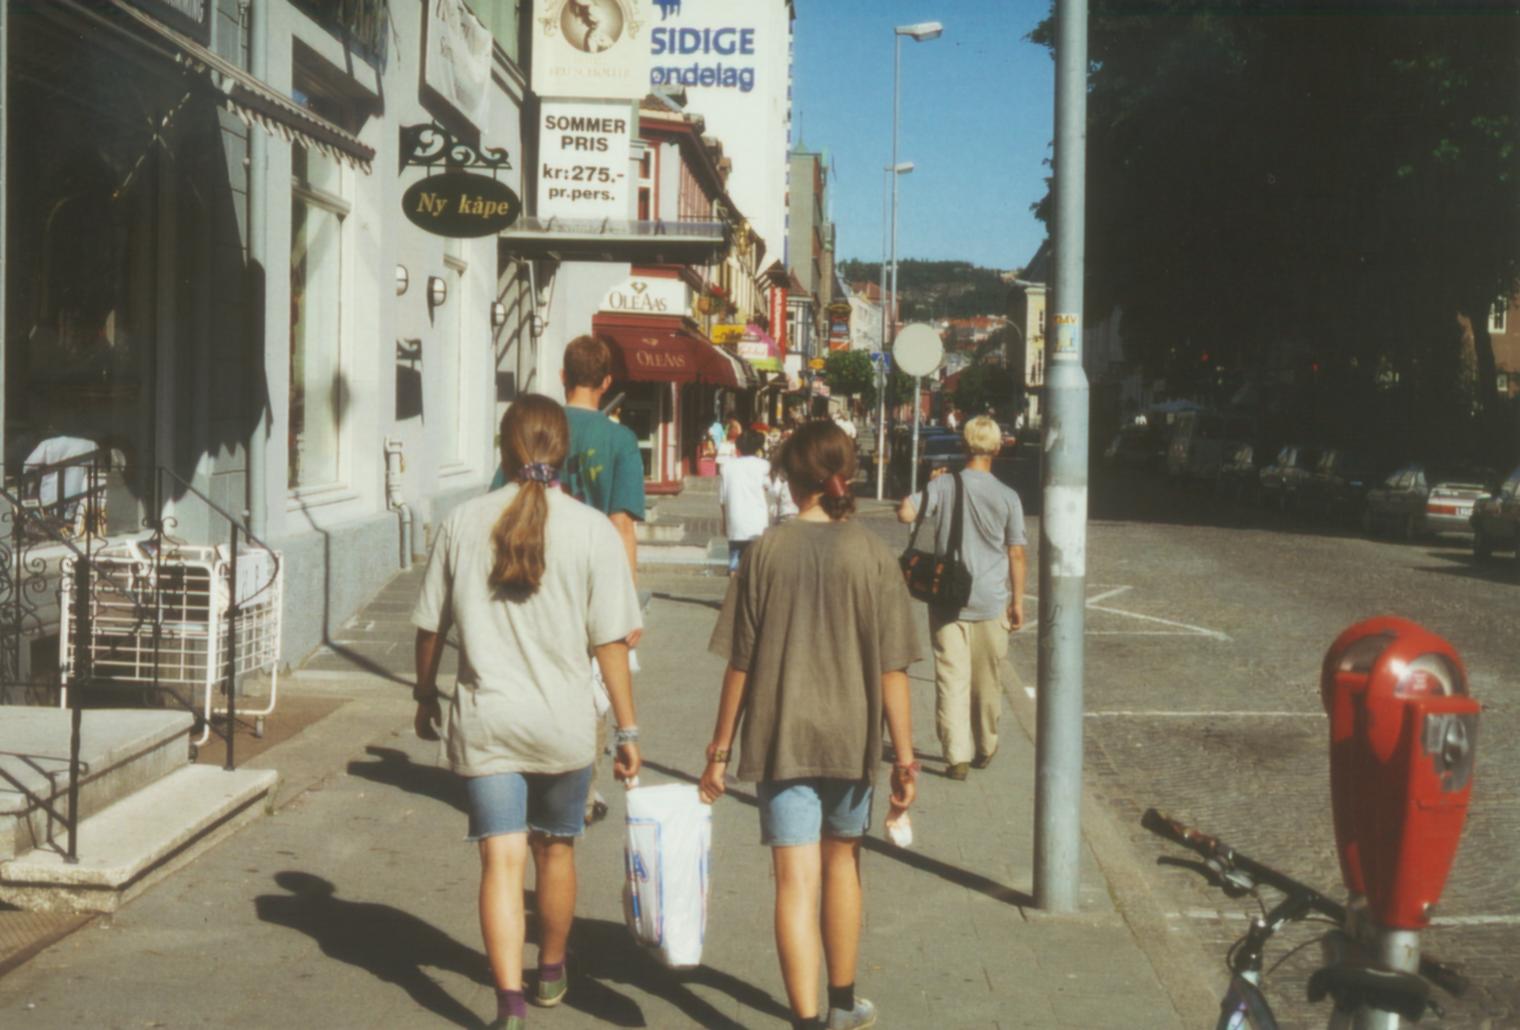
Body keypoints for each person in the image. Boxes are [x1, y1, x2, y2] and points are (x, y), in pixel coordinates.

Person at [413, 396, 643, 1030]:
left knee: (501, 859)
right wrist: (627, 730)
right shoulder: (592, 530)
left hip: (488, 720)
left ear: (503, 450)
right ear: (562, 451)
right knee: (557, 853)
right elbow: (611, 646)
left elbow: (430, 627)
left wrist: (424, 692)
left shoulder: (462, 522)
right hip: (564, 726)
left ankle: (508, 1000)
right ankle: (550, 972)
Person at [700, 421, 920, 1030]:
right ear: (845, 474)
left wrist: (719, 750)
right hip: (851, 742)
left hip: (781, 738)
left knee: (794, 882)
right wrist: (905, 759)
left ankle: (805, 1020)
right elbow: (893, 670)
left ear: (790, 479)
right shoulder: (874, 554)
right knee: (843, 865)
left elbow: (740, 662)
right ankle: (844, 1004)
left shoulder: (766, 551)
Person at [489, 336, 645, 822]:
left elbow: (502, 499)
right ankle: (581, 788)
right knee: (593, 685)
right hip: (590, 574)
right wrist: (628, 601)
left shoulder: (537, 429)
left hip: (530, 565)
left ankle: (521, 779)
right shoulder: (619, 440)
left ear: (562, 375)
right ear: (606, 382)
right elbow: (622, 523)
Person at [896, 415, 1027, 781]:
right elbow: (1016, 552)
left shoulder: (944, 486)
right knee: (988, 680)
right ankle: (986, 745)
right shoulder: (1008, 496)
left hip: (947, 598)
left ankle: (957, 757)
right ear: (997, 448)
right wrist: (1018, 602)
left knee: (951, 678)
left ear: (962, 445)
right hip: (991, 600)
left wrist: (928, 487)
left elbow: (906, 512)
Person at [718, 429, 771, 574]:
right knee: (755, 564)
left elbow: (722, 499)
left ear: (738, 447)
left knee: (734, 561)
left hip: (735, 520)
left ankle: (734, 589)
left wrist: (724, 523)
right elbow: (769, 486)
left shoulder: (726, 467)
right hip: (757, 522)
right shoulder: (763, 465)